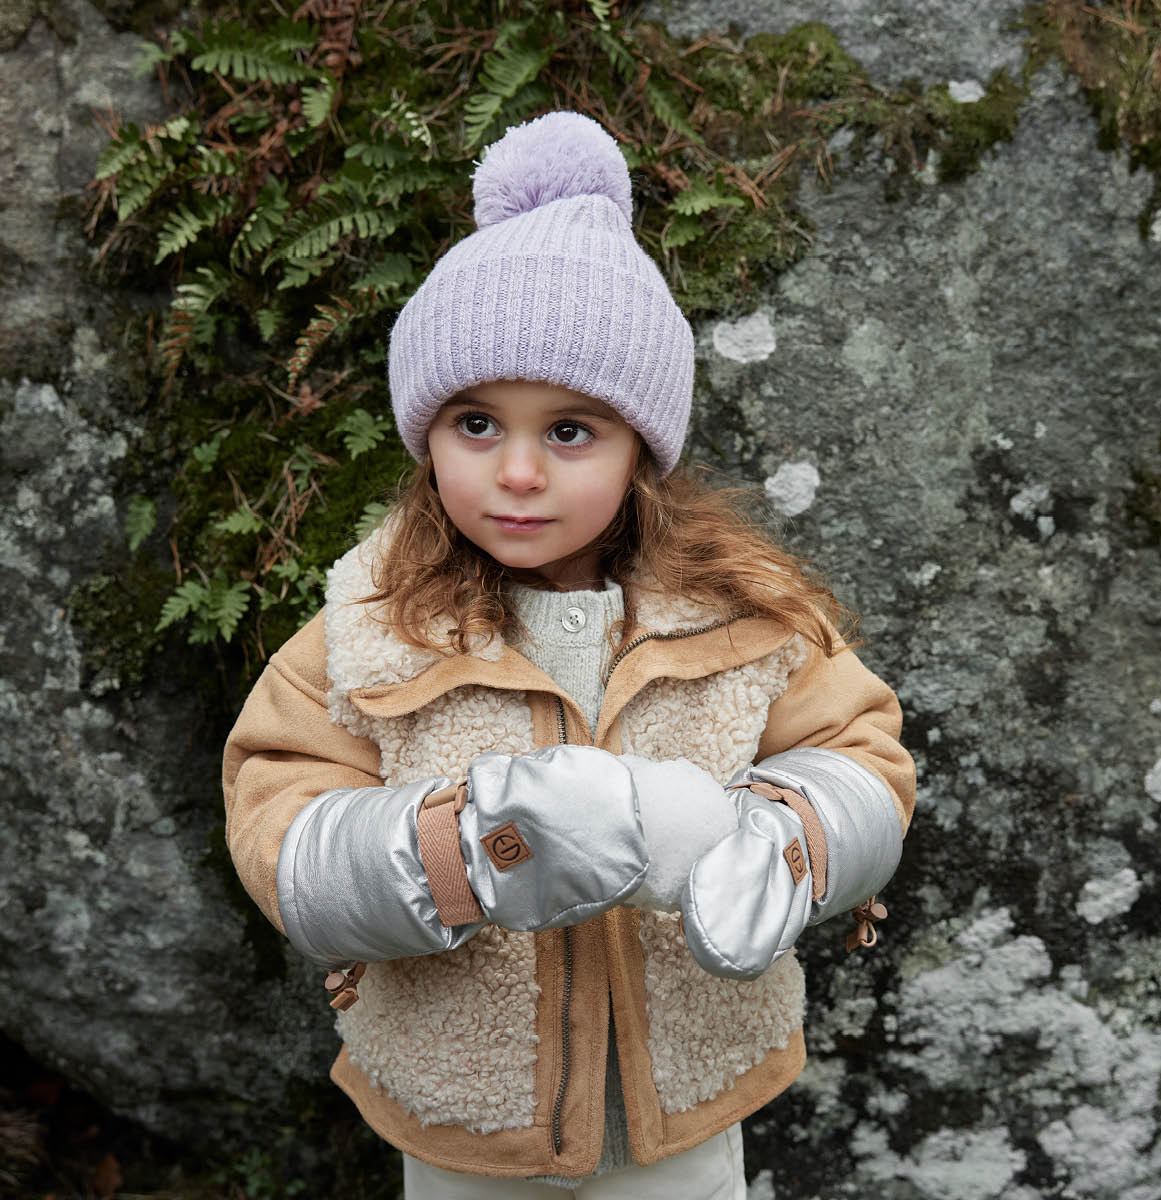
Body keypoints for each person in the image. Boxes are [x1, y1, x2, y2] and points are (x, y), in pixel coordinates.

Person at [222, 111, 915, 1199]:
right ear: (425, 434)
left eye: (571, 431)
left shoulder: (741, 613)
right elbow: (279, 820)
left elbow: (863, 753)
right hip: (466, 1120)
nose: (519, 474)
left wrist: (783, 842)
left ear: (643, 444)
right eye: (477, 424)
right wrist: (461, 850)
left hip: (684, 1111)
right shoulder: (372, 621)